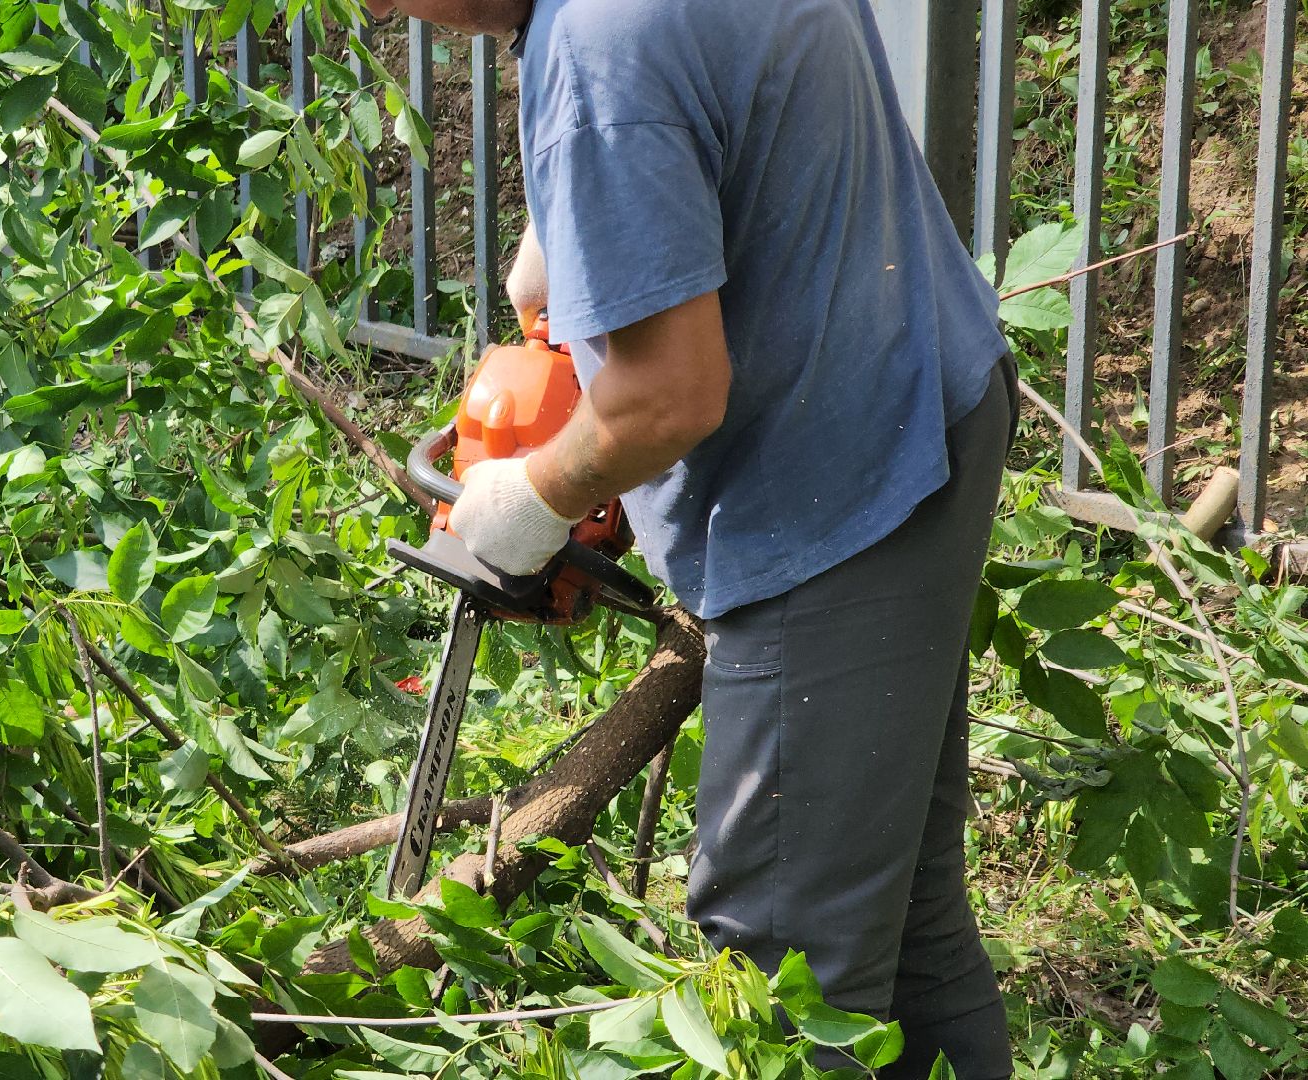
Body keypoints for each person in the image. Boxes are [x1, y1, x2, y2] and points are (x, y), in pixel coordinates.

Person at [365, 0, 1018, 1076]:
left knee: (782, 960)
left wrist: (531, 494)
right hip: (924, 394)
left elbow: (667, 395)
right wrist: (586, 243)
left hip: (829, 486)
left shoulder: (601, 55)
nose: (393, 15)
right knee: (902, 924)